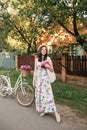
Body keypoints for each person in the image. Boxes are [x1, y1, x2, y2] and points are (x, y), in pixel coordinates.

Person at [33, 44, 61, 123]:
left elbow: (52, 70)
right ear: (40, 50)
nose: (44, 50)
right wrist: (34, 81)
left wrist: (47, 66)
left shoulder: (48, 58)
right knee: (41, 97)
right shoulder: (37, 59)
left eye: (45, 49)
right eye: (42, 49)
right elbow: (35, 71)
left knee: (49, 97)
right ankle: (45, 110)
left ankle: (56, 113)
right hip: (38, 81)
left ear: (46, 51)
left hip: (45, 81)